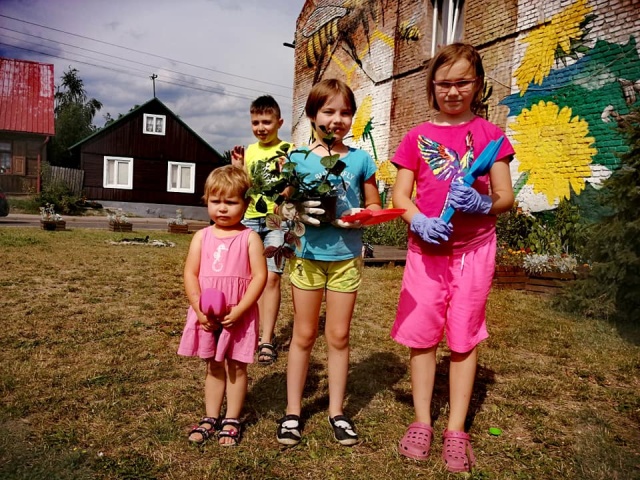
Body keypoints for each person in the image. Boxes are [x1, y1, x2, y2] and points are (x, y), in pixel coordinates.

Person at [390, 43, 515, 472]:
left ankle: (456, 429)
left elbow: (505, 197)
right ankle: (422, 422)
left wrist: (483, 203)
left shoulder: (492, 137)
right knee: (422, 337)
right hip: (426, 253)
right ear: (432, 85)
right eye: (444, 83)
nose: (453, 91)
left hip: (473, 252)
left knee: (463, 339)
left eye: (462, 82)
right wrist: (419, 221)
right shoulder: (416, 137)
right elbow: (400, 196)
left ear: (477, 84)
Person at [276, 78, 382, 447]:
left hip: (345, 259)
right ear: (312, 115)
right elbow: (281, 206)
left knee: (338, 336)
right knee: (304, 335)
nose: (337, 119)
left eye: (345, 112)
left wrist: (360, 216)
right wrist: (293, 209)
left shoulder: (361, 159)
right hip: (307, 257)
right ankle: (293, 411)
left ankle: (337, 411)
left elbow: (375, 205)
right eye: (328, 111)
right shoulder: (297, 159)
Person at [178, 165, 267, 446]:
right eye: (216, 201)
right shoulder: (201, 237)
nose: (223, 208)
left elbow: (260, 277)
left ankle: (232, 419)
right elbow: (190, 273)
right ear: (206, 201)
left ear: (246, 204)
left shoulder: (250, 238)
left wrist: (240, 310)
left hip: (238, 315)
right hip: (207, 315)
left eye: (231, 202)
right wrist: (198, 309)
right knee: (213, 365)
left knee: (236, 367)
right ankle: (210, 417)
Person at [231, 95, 290, 366]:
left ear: (279, 122)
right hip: (250, 220)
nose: (261, 127)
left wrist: (286, 187)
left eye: (266, 122)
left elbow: (294, 186)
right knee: (250, 279)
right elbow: (241, 188)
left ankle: (266, 339)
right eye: (255, 122)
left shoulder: (289, 150)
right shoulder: (249, 152)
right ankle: (249, 333)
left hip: (276, 221)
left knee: (272, 278)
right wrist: (237, 169)